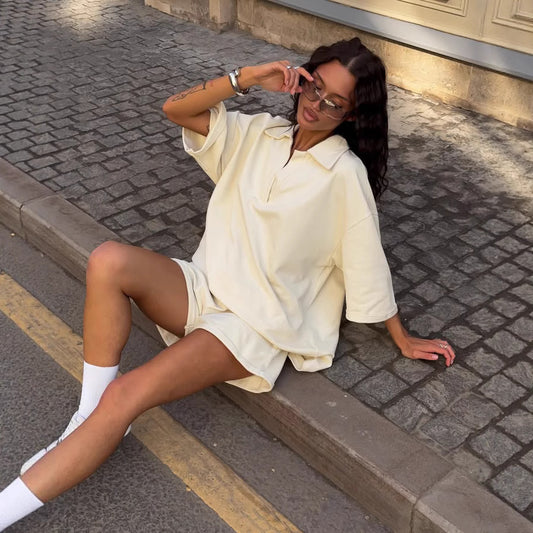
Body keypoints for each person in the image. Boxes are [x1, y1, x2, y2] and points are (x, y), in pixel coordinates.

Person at [0, 37, 455, 530]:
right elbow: (175, 109)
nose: (315, 106)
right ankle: (87, 423)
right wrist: (249, 77)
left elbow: (367, 261)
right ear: (300, 79)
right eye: (314, 87)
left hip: (251, 326)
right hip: (206, 286)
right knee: (108, 259)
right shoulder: (261, 134)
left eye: (334, 103)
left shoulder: (344, 175)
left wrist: (401, 337)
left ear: (352, 115)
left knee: (125, 395)